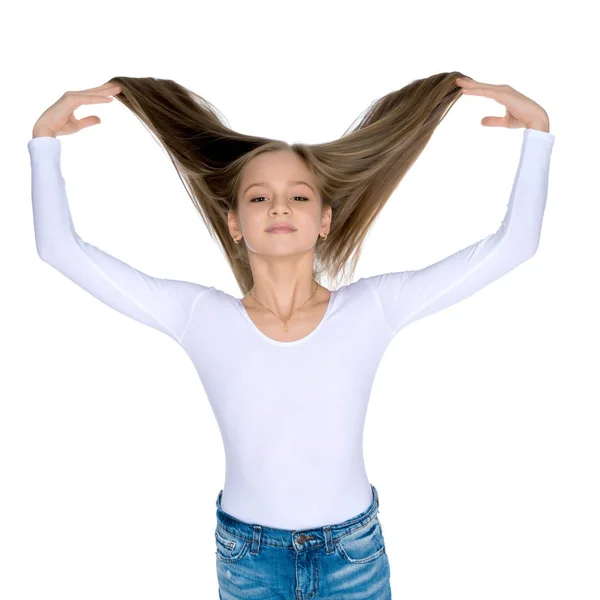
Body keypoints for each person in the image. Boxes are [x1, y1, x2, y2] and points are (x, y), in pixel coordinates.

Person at [28, 75, 555, 599]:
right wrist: (43, 141)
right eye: (259, 197)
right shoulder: (198, 316)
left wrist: (538, 133)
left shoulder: (372, 308)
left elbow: (513, 246)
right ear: (235, 224)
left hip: (353, 557)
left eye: (298, 196)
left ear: (324, 220)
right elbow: (61, 249)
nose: (279, 207)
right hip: (249, 561)